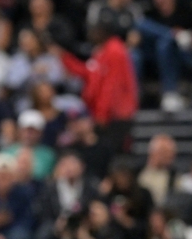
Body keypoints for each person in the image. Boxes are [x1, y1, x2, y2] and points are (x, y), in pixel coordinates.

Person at [54, 16, 137, 152]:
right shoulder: (102, 50)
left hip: (116, 115)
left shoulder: (115, 50)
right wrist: (64, 57)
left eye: (93, 30)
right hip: (104, 115)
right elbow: (88, 73)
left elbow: (111, 86)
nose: (90, 33)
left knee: (114, 153)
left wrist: (101, 115)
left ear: (103, 31)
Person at [135, 0, 192, 112]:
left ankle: (170, 92)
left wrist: (188, 36)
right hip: (158, 60)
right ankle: (171, 35)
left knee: (164, 43)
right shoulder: (151, 15)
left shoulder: (186, 11)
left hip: (185, 56)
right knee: (145, 28)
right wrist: (175, 35)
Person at [33, 151, 99, 239]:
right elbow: (43, 212)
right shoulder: (50, 187)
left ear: (82, 166)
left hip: (82, 224)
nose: (69, 168)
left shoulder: (90, 186)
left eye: (73, 164)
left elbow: (94, 208)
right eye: (65, 164)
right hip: (56, 224)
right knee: (43, 235)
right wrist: (57, 224)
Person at [1, 109, 57, 181]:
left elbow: (46, 176)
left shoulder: (48, 155)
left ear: (40, 133)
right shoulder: (6, 152)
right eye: (25, 130)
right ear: (19, 131)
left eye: (33, 131)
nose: (28, 135)